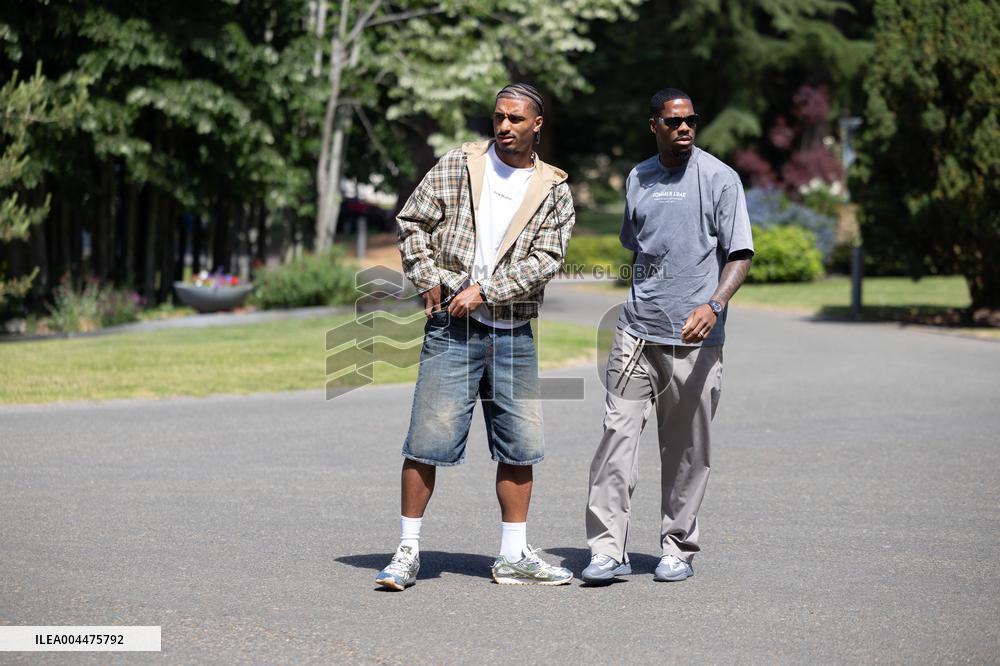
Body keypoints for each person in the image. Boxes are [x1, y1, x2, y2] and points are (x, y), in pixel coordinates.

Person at [375, 83, 576, 590]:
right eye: (498, 117)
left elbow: (546, 260)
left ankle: (512, 556)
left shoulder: (553, 189)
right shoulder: (460, 165)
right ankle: (407, 551)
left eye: (515, 119)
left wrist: (485, 290)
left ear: (537, 126)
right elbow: (412, 221)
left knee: (519, 447)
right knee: (427, 440)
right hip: (452, 330)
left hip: (514, 335)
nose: (504, 126)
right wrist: (429, 278)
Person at [582, 88, 753, 584]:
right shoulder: (638, 176)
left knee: (685, 450)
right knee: (616, 437)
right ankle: (608, 550)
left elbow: (739, 254)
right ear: (653, 124)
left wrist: (714, 303)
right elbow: (637, 244)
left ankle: (677, 547)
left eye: (691, 121)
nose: (684, 129)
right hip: (636, 331)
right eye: (674, 121)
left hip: (695, 340)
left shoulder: (720, 178)